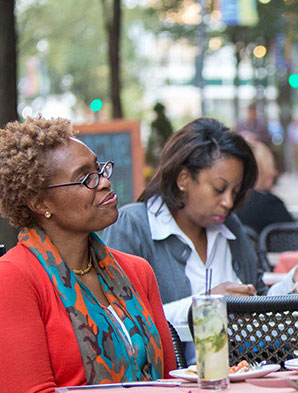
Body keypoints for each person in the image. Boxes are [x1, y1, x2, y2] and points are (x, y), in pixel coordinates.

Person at [0, 118, 176, 391]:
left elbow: (171, 381)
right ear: (39, 202)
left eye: (99, 169)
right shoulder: (13, 278)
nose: (105, 182)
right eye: (85, 178)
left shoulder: (137, 271)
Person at [102, 117, 298, 330]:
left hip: (242, 363)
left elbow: (258, 301)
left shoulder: (229, 226)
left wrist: (292, 282)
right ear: (183, 178)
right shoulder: (133, 226)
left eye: (236, 191)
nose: (228, 202)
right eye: (219, 189)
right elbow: (122, 321)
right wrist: (205, 306)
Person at [237, 141, 295, 235]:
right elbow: (297, 235)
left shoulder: (233, 203)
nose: (274, 172)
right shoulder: (270, 204)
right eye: (270, 166)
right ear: (261, 170)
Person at [146, 102, 174, 167]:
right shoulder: (155, 124)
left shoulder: (166, 124)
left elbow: (170, 138)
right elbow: (152, 140)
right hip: (157, 152)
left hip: (164, 151)